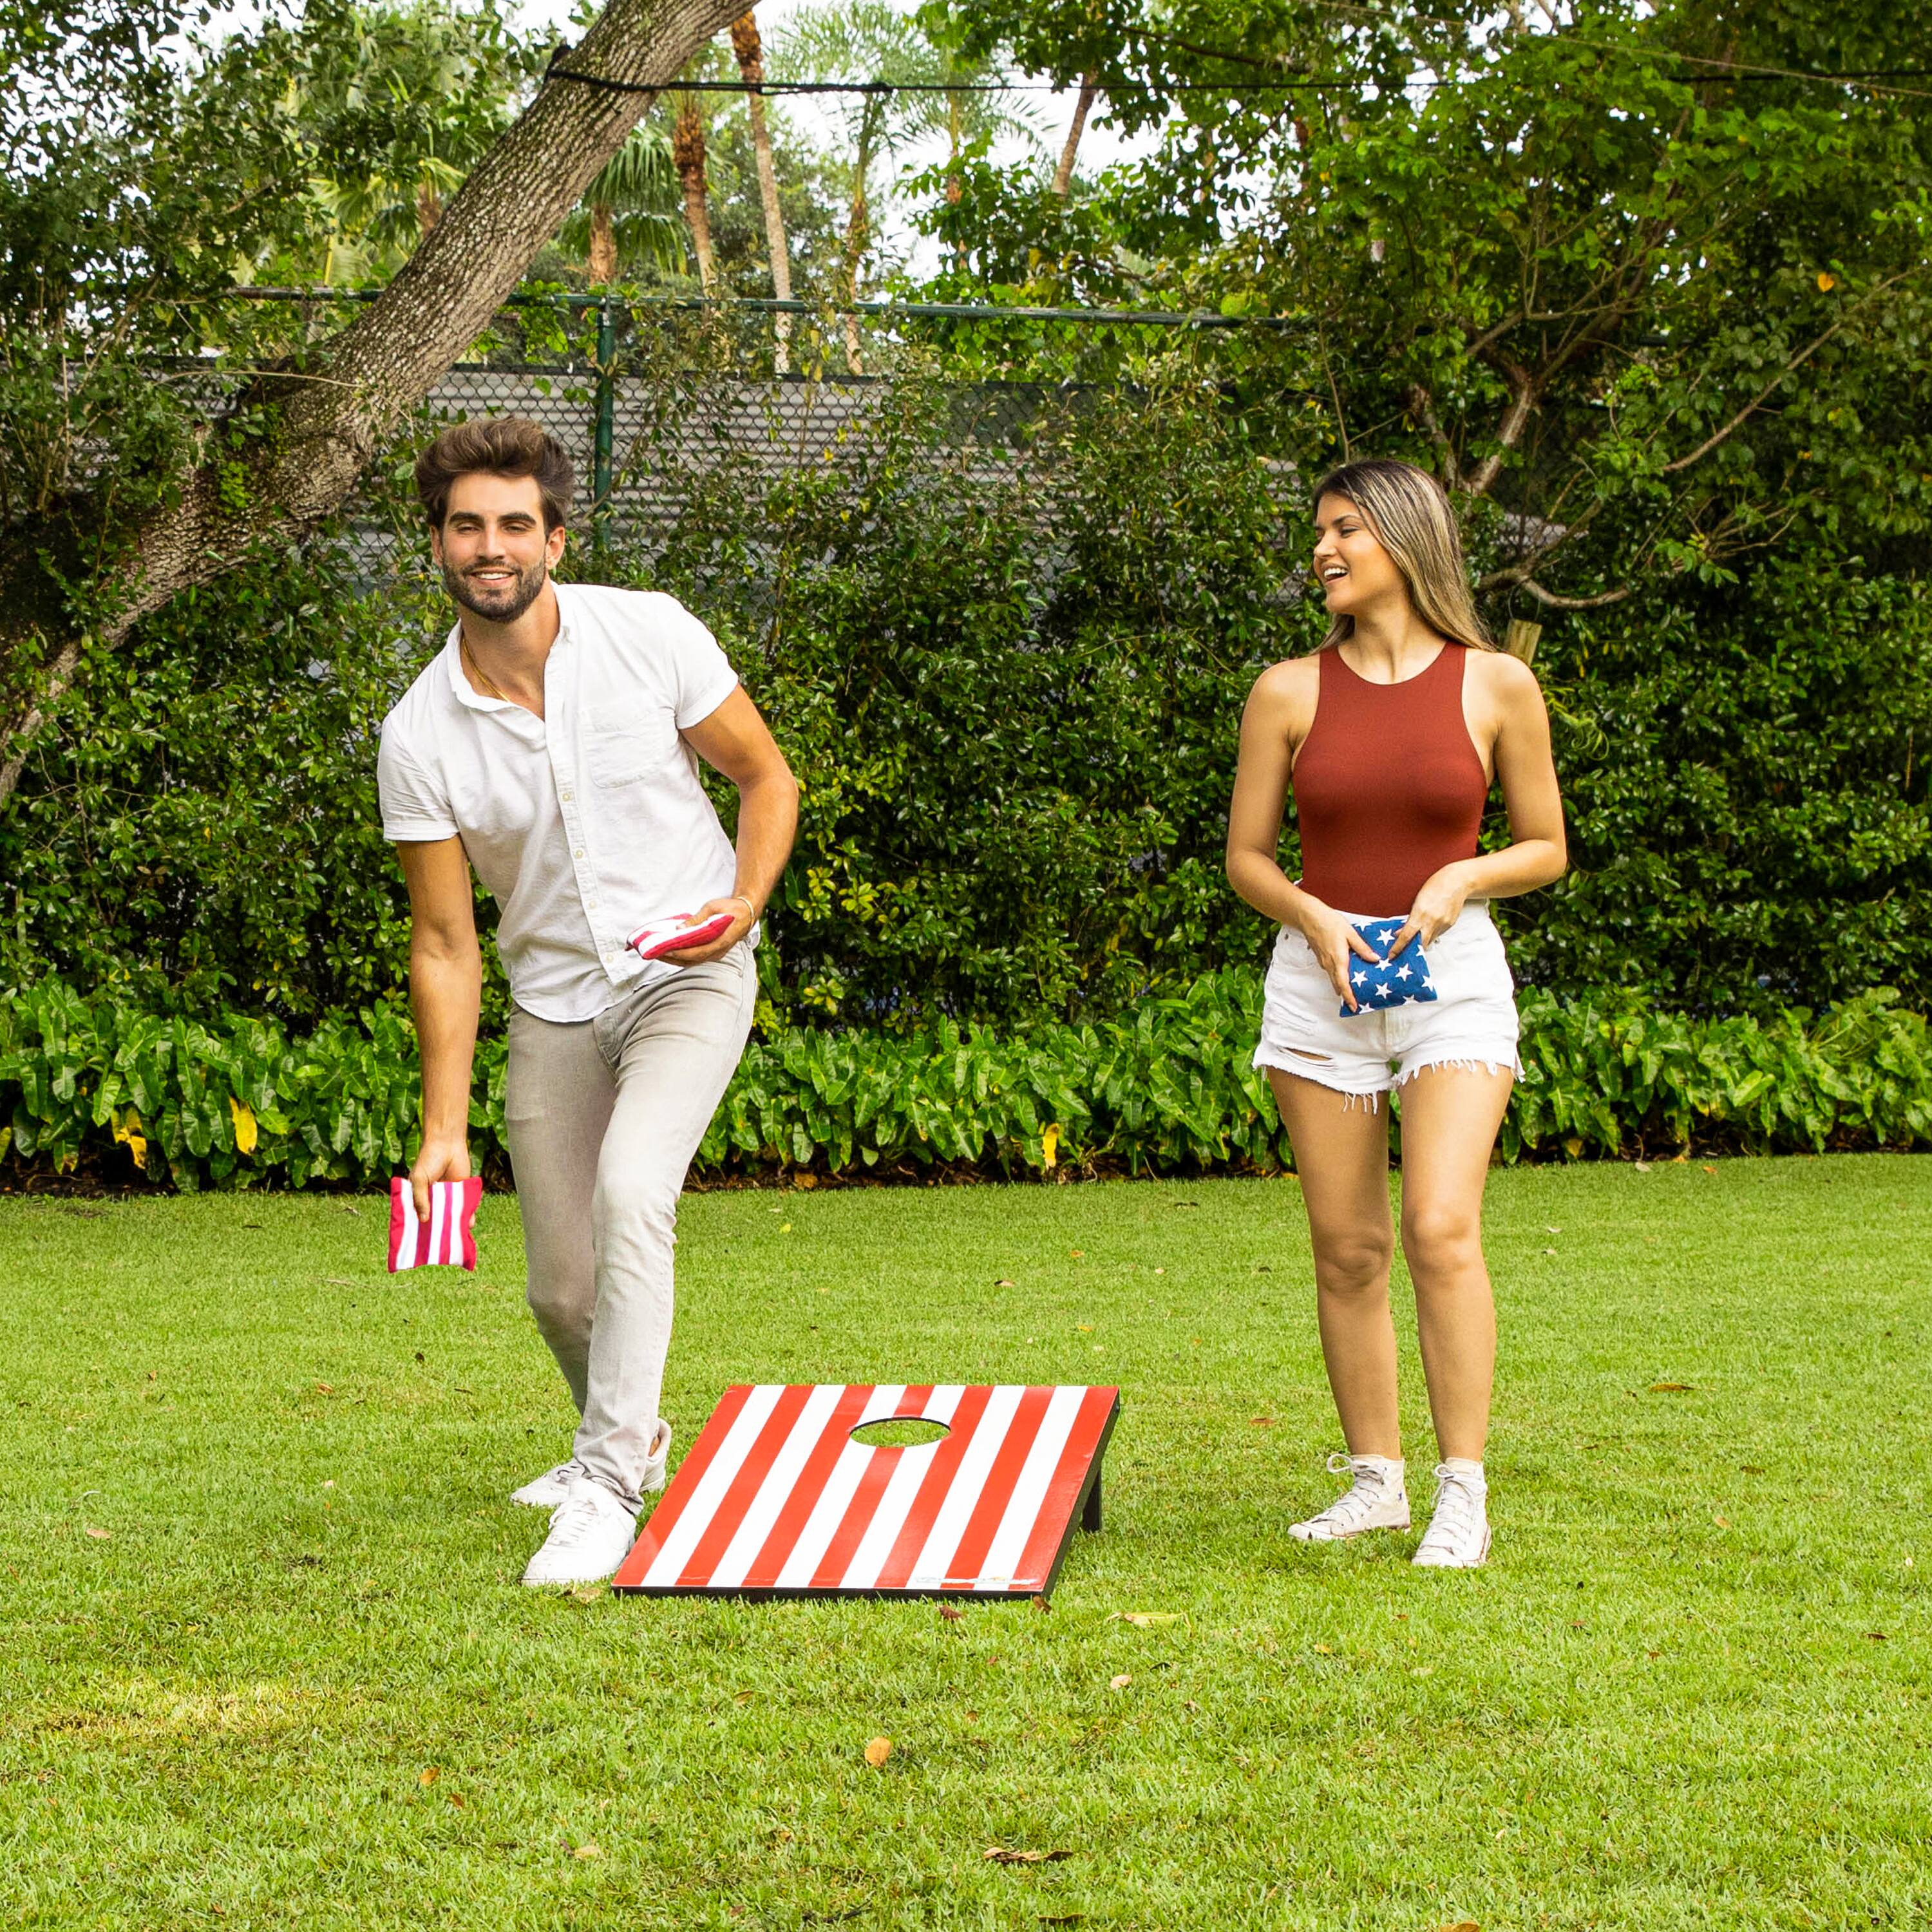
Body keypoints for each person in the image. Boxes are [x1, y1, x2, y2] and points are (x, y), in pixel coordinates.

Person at [377, 417, 798, 1587]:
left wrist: (746, 899)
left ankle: (609, 1481)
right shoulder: (417, 735)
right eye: (468, 526)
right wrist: (443, 1132)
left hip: (688, 973)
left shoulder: (649, 632)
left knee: (632, 1191)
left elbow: (765, 778)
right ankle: (634, 1434)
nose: (491, 546)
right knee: (561, 1290)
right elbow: (446, 944)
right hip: (557, 1005)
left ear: (556, 538)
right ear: (439, 546)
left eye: (516, 524)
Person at [1225, 458, 1566, 1568]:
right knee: (1348, 1248)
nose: (1323, 549)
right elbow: (1246, 860)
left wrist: (1459, 880)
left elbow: (1547, 846)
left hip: (1452, 978)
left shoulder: (1495, 684)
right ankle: (1376, 1482)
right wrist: (1316, 921)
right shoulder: (1286, 691)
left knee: (1439, 1227)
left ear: (1404, 541)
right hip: (1318, 986)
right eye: (1319, 532)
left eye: (1345, 530)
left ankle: (1461, 1492)